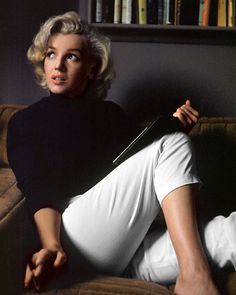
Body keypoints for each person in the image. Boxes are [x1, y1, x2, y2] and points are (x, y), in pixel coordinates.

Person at [6, 11, 235, 295]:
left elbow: (142, 170)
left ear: (91, 68)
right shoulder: (25, 122)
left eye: (72, 57)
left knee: (231, 232)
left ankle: (190, 268)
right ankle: (194, 275)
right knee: (171, 144)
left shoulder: (111, 115)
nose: (58, 65)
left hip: (121, 245)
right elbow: (38, 191)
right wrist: (52, 245)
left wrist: (175, 127)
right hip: (73, 237)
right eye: (52, 54)